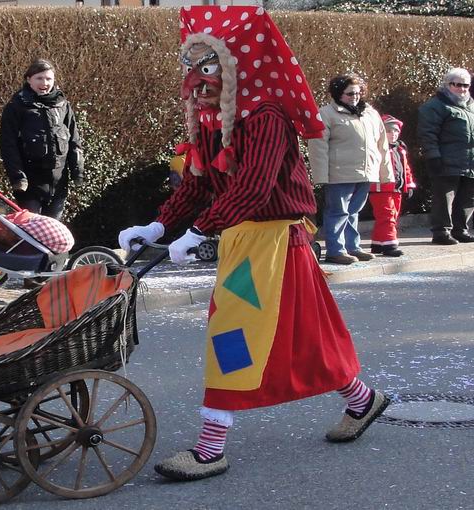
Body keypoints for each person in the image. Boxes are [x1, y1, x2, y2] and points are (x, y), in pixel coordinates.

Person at [118, 6, 389, 482]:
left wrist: (200, 231)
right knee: (307, 336)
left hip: (272, 241)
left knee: (232, 334)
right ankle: (362, 399)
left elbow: (255, 186)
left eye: (207, 68)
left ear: (234, 68)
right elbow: (200, 185)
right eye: (191, 68)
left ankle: (210, 448)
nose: (197, 80)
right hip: (252, 240)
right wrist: (159, 227)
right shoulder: (211, 120)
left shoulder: (265, 118)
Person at [308, 73, 393, 265]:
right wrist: (321, 176)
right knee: (338, 212)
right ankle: (336, 249)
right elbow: (318, 146)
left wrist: (384, 172)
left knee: (354, 211)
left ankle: (352, 246)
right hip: (339, 173)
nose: (355, 96)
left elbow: (382, 144)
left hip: (365, 171)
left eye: (357, 92)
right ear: (338, 94)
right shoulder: (326, 114)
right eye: (349, 93)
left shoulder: (370, 113)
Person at [0, 59, 84, 220]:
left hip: (59, 182)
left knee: (53, 232)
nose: (44, 83)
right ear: (28, 79)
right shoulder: (16, 106)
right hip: (30, 184)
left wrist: (77, 171)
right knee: (31, 231)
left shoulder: (62, 104)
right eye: (39, 78)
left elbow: (74, 140)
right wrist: (18, 177)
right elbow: (8, 145)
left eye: (48, 79)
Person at [417, 68, 474, 245]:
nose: (462, 89)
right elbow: (427, 134)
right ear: (447, 85)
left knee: (468, 198)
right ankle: (441, 232)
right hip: (445, 161)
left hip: (469, 162)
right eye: (457, 84)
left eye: (465, 85)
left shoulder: (471, 105)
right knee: (444, 198)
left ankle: (461, 229)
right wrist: (433, 156)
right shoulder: (435, 106)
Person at [368, 115, 416, 257]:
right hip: (380, 188)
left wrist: (409, 184)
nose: (393, 134)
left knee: (391, 215)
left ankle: (378, 243)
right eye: (389, 131)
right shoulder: (376, 148)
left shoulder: (400, 149)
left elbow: (406, 168)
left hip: (397, 188)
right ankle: (390, 244)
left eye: (395, 131)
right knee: (387, 216)